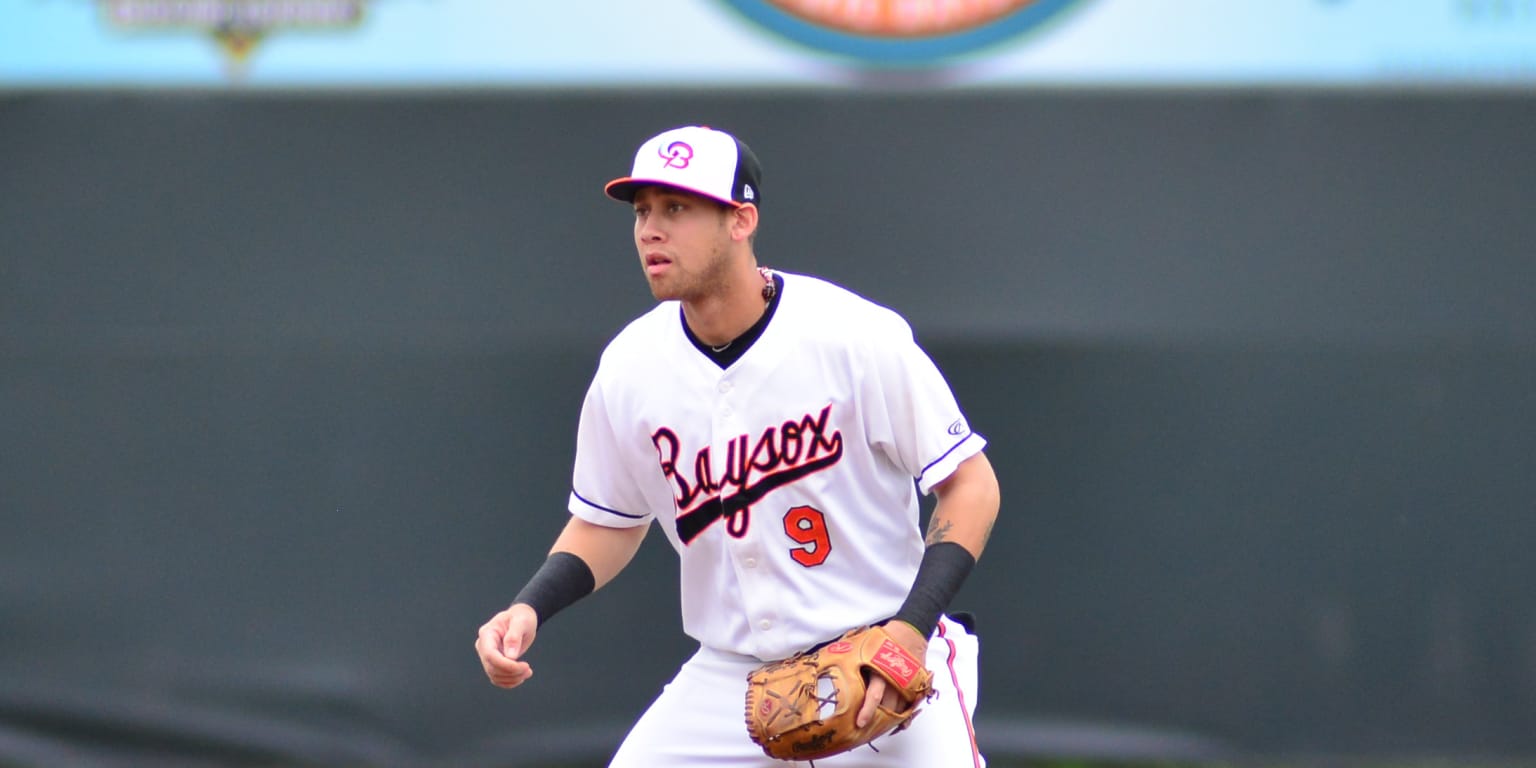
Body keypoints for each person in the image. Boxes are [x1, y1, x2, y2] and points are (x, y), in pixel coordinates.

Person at [474, 125, 1000, 767]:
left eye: (677, 208)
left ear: (741, 220)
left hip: (882, 652)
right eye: (642, 211)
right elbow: (608, 523)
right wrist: (529, 606)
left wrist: (911, 631)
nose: (649, 230)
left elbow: (970, 485)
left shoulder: (852, 336)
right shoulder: (631, 366)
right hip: (733, 677)